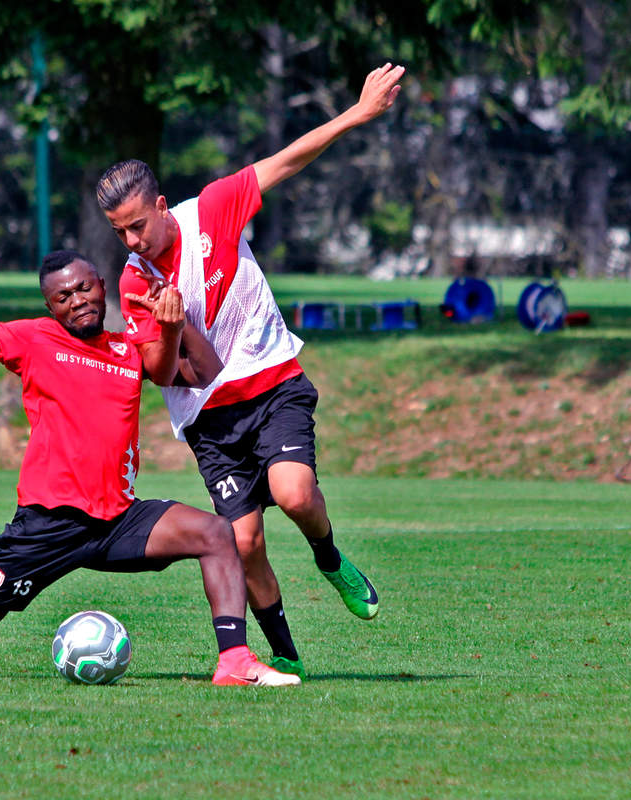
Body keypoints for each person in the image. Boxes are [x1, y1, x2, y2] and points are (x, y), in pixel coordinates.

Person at [0, 252, 299, 686]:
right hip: (47, 524)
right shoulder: (32, 339)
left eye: (84, 288)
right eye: (63, 296)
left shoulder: (127, 350)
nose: (77, 301)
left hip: (117, 520)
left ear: (102, 286)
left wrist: (173, 320)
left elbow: (203, 370)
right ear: (51, 306)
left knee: (216, 534)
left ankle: (234, 661)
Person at [94, 62, 405, 679]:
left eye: (137, 225)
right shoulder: (136, 282)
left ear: (161, 206)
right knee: (244, 543)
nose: (130, 241)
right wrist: (170, 325)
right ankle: (284, 650)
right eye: (119, 232)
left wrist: (358, 114)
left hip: (273, 384)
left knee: (294, 494)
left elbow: (287, 160)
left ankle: (329, 556)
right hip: (209, 419)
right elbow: (159, 373)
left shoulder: (212, 211)